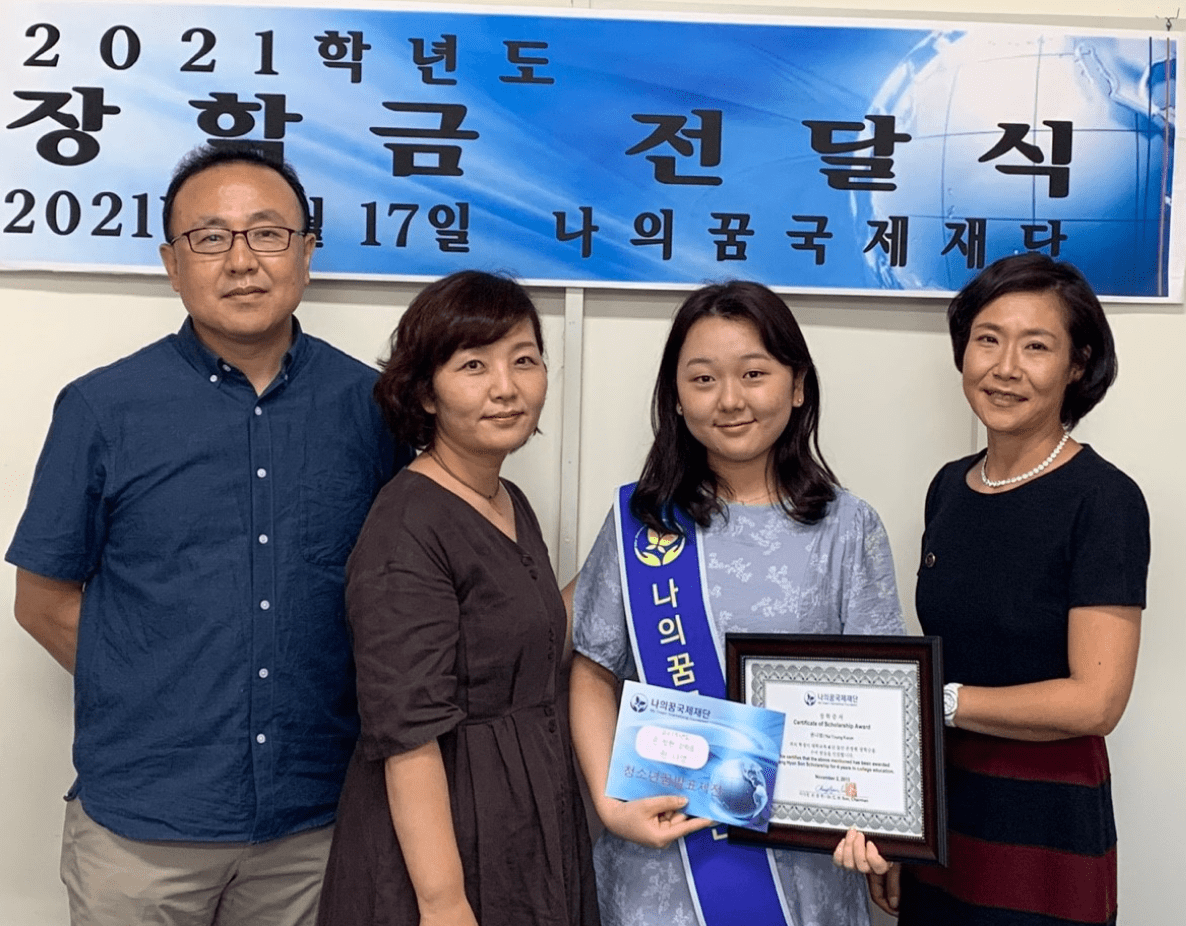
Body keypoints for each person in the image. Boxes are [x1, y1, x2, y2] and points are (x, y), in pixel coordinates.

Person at [6, 142, 403, 926]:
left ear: (307, 253)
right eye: (211, 238)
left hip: (315, 824)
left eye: (268, 234)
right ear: (172, 263)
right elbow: (41, 600)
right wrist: (153, 685)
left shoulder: (372, 409)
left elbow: (397, 593)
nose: (242, 261)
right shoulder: (102, 409)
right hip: (141, 831)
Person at [569, 280, 904, 926]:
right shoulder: (641, 522)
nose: (729, 400)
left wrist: (883, 824)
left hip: (803, 870)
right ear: (676, 396)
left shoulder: (848, 527)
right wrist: (611, 808)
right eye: (703, 379)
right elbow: (592, 669)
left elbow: (882, 700)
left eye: (754, 374)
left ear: (797, 385)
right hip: (662, 861)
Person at [833, 253, 1150, 925]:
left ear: (1077, 364)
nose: (1005, 368)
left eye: (1036, 346)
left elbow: (1096, 701)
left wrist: (940, 701)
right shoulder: (949, 487)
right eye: (988, 339)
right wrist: (898, 827)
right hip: (944, 813)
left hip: (1043, 826)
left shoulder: (1104, 500)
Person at [316, 270, 599, 926]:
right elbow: (407, 736)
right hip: (444, 836)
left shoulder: (506, 499)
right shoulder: (408, 524)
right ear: (425, 391)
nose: (506, 387)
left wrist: (628, 555)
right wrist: (444, 903)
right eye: (474, 365)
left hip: (523, 811)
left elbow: (530, 639)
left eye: (524, 360)